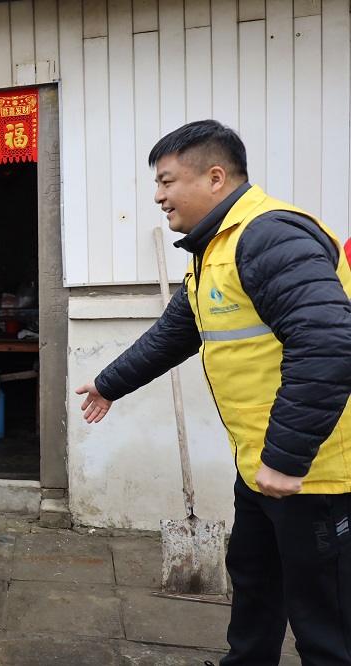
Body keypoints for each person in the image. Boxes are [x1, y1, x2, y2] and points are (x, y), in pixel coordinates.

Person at [76, 120, 351, 665]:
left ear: (216, 177)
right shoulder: (212, 252)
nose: (158, 196)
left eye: (167, 181)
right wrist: (109, 384)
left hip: (313, 474)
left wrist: (287, 459)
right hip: (260, 466)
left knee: (325, 618)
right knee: (253, 584)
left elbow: (328, 342)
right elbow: (176, 331)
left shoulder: (269, 236)